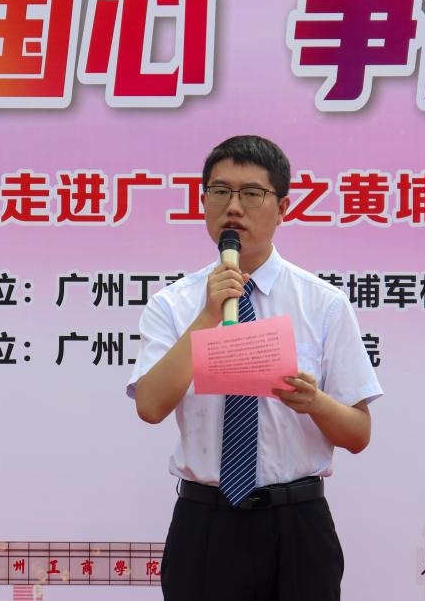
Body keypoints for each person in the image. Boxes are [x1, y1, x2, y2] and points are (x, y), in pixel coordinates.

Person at [127, 135, 382, 601]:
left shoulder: (322, 303)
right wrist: (208, 315)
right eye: (220, 191)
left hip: (297, 525)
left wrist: (315, 402)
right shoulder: (173, 304)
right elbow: (150, 406)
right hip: (205, 525)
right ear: (203, 201)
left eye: (250, 193)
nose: (233, 207)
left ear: (282, 207)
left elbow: (358, 433)